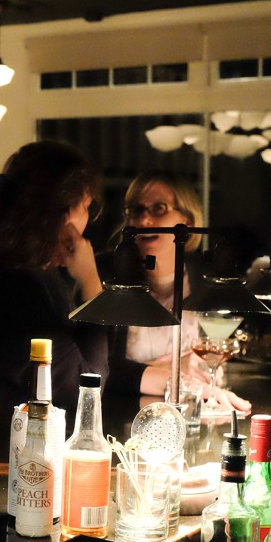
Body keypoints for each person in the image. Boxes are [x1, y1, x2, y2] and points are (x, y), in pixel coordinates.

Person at [0, 141, 108, 430]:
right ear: (63, 215)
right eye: (86, 206)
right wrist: (91, 282)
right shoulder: (18, 291)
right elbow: (85, 390)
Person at [106, 170, 251, 413]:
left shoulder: (206, 279)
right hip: (124, 415)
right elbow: (99, 369)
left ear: (187, 221)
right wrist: (175, 374)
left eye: (158, 208)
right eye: (136, 210)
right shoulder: (109, 276)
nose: (144, 221)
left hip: (187, 414)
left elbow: (211, 353)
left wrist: (202, 367)